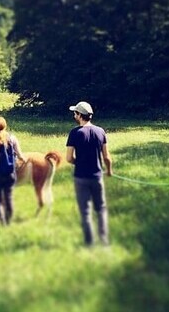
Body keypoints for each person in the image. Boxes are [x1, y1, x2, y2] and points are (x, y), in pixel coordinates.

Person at [66, 101, 112, 246]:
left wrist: (78, 163)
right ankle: (104, 240)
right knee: (101, 209)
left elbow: (68, 158)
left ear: (80, 115)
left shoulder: (74, 133)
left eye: (75, 113)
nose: (74, 115)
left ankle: (89, 243)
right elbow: (106, 157)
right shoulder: (100, 131)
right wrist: (109, 170)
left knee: (85, 212)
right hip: (97, 176)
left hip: (81, 177)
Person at [0, 116, 26, 225]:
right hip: (10, 173)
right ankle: (8, 220)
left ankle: (2, 221)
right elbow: (21, 155)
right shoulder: (13, 138)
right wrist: (23, 160)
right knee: (8, 197)